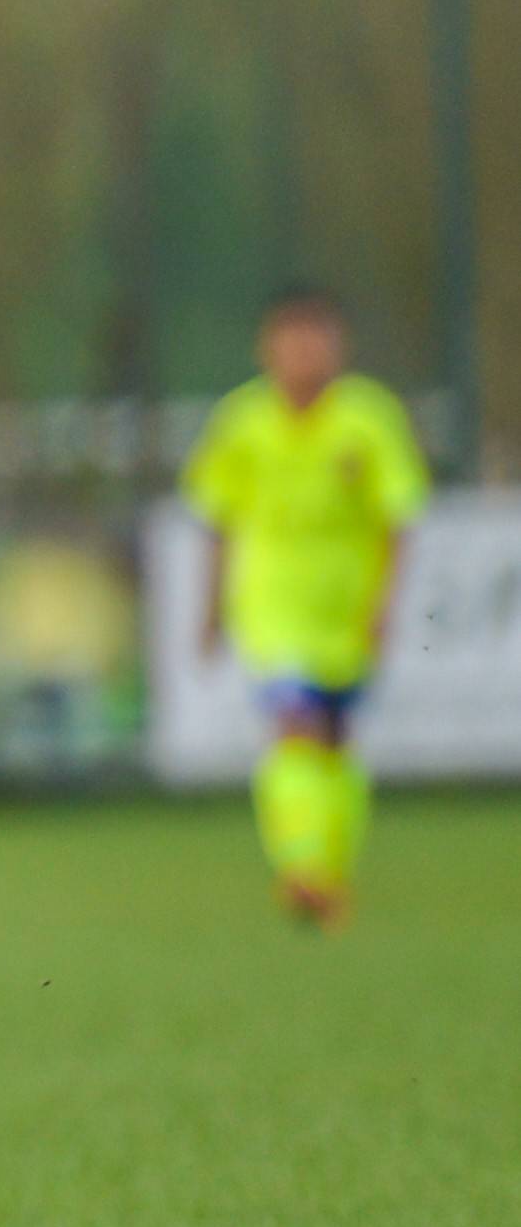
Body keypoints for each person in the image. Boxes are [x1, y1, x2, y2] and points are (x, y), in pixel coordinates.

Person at [183, 285, 431, 926]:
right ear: (268, 348)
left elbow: (397, 518)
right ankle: (303, 867)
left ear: (337, 346)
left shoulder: (370, 419)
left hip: (345, 611)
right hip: (271, 606)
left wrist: (384, 603)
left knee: (336, 743)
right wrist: (210, 609)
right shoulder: (241, 423)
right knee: (295, 724)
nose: (303, 354)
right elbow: (219, 520)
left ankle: (330, 872)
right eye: (291, 341)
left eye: (315, 339)